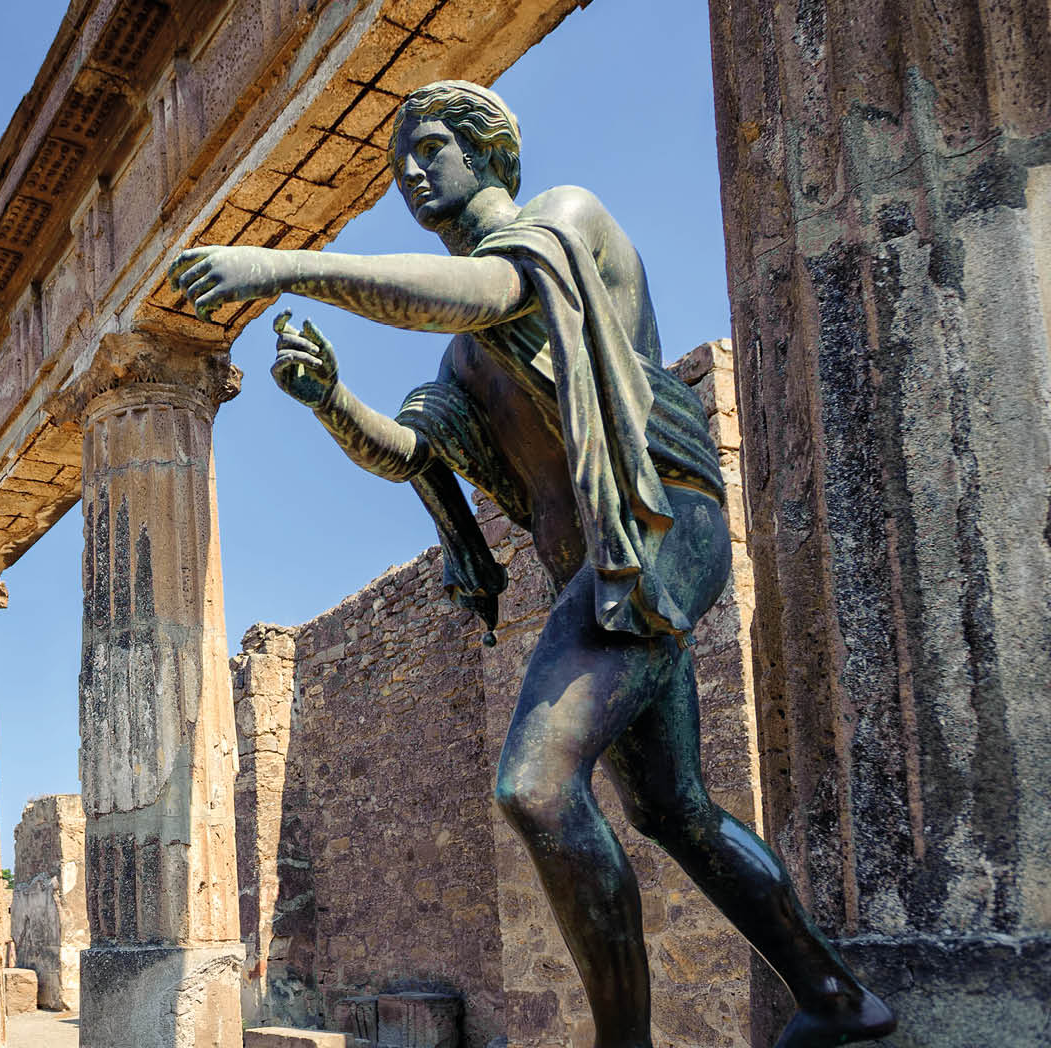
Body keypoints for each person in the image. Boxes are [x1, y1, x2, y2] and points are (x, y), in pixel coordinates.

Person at [169, 80, 895, 1048]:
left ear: (491, 150)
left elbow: (491, 289)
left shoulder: (563, 222)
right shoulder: (463, 363)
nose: (412, 173)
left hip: (652, 537)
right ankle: (836, 998)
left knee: (534, 786)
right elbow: (409, 452)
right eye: (398, 164)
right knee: (672, 807)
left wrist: (282, 265)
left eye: (430, 148)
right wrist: (329, 396)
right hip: (601, 573)